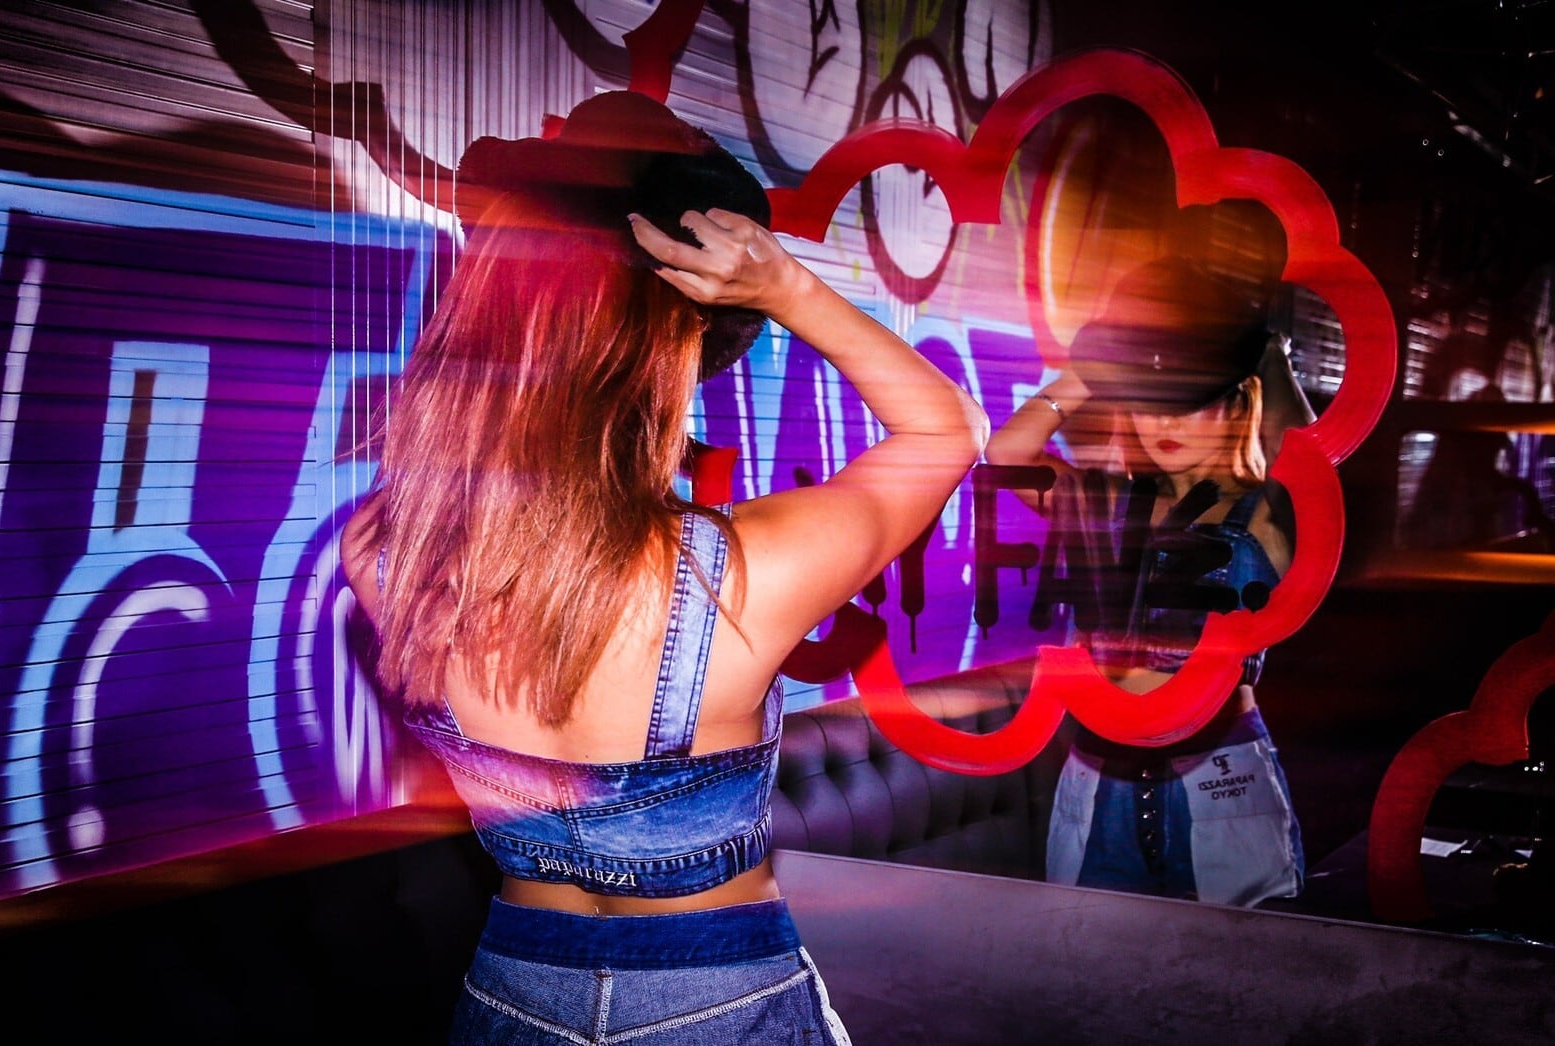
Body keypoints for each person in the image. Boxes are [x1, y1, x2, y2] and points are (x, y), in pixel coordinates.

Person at [340, 91, 986, 1044]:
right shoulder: (738, 578)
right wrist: (788, 289)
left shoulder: (380, 552)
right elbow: (947, 430)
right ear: (669, 352)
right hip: (714, 1003)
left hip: (511, 999)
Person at [985, 256, 1307, 907]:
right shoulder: (1104, 502)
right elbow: (1005, 455)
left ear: (1235, 401)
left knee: (1236, 959)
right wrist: (1095, 365)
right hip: (1099, 772)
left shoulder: (1266, 513)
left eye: (1187, 403)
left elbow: (1312, 463)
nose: (1163, 425)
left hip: (1220, 773)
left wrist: (1264, 354)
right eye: (1145, 403)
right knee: (1088, 955)